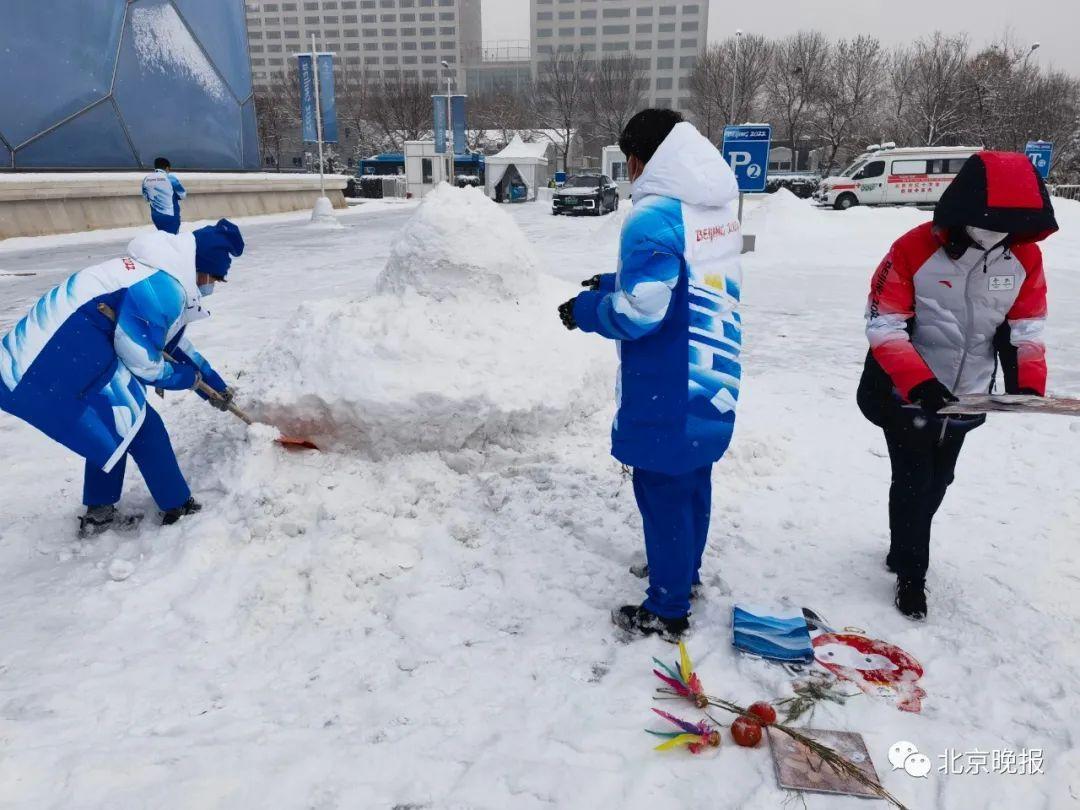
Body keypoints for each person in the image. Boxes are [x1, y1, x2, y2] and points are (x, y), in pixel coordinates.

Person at [558, 109, 744, 641]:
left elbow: (641, 313)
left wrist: (587, 310)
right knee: (693, 483)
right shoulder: (714, 208)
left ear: (641, 158)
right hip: (711, 374)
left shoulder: (652, 217)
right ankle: (684, 574)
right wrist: (617, 278)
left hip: (666, 383)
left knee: (662, 492)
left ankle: (667, 608)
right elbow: (688, 275)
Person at [858, 151, 1057, 620]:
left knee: (939, 480)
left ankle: (901, 544)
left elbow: (1025, 327)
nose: (995, 233)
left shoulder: (1025, 256)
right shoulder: (911, 249)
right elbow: (885, 325)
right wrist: (919, 383)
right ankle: (911, 575)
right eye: (989, 222)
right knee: (913, 480)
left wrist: (1026, 382)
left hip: (968, 393)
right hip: (906, 392)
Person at [0, 220, 245, 535]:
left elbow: (172, 343)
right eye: (214, 278)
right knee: (143, 428)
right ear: (202, 269)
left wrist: (214, 387)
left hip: (47, 352)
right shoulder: (162, 288)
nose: (211, 286)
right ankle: (177, 507)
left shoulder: (158, 271)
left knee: (113, 425)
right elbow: (143, 361)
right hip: (54, 356)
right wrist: (187, 378)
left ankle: (100, 512)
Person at [142, 157, 187, 234]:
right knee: (172, 239)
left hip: (156, 216)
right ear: (167, 168)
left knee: (163, 238)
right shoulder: (170, 178)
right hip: (170, 216)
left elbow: (146, 199)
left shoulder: (146, 179)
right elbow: (183, 195)